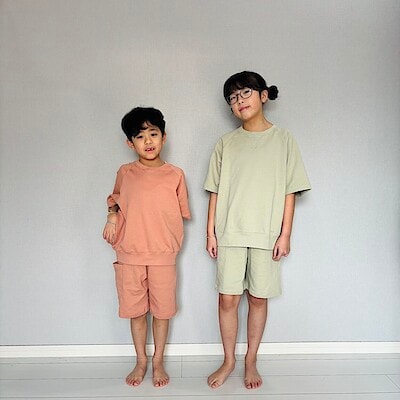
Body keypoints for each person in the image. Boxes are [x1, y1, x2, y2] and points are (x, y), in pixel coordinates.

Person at [204, 71, 311, 389]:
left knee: (258, 299)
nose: (239, 101)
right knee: (227, 299)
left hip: (267, 234)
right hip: (230, 233)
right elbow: (215, 191)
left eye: (245, 93)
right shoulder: (226, 143)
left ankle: (251, 360)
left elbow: (290, 190)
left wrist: (285, 234)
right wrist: (210, 233)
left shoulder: (284, 140)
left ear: (264, 95)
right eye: (232, 98)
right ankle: (228, 360)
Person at [103, 107, 191, 387]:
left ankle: (158, 360)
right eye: (140, 136)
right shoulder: (125, 172)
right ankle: (141, 360)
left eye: (153, 134)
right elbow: (115, 200)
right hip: (129, 254)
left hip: (163, 254)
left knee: (162, 312)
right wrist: (112, 217)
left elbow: (179, 214)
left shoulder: (175, 175)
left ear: (164, 137)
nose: (148, 141)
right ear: (130, 143)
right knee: (137, 311)